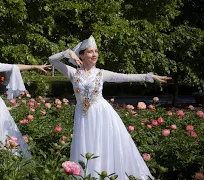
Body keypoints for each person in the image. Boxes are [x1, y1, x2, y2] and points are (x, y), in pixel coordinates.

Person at [49, 35, 171, 179]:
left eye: (96, 51)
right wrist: (68, 53)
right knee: (85, 146)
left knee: (102, 145)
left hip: (102, 114)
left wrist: (148, 77)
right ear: (81, 55)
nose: (94, 54)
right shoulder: (73, 73)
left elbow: (125, 77)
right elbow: (52, 60)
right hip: (83, 115)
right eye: (90, 51)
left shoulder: (101, 73)